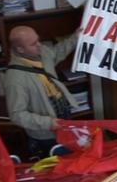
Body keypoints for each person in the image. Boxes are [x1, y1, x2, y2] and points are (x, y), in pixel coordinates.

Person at [5, 26, 79, 159]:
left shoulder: (41, 52)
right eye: (33, 44)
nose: (39, 45)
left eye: (38, 40)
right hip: (46, 135)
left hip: (64, 123)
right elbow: (17, 115)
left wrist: (77, 36)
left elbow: (58, 52)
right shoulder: (15, 79)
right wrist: (48, 123)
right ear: (20, 49)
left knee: (72, 159)